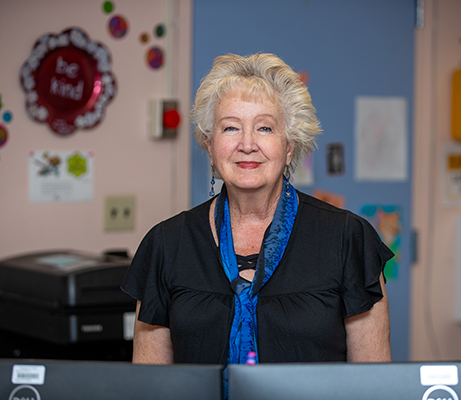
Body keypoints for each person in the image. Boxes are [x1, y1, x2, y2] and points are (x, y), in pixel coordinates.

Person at [121, 53, 393, 368]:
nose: (247, 144)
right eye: (230, 128)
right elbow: (151, 389)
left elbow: (374, 386)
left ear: (289, 146)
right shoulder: (166, 245)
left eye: (264, 128)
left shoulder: (349, 240)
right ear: (209, 146)